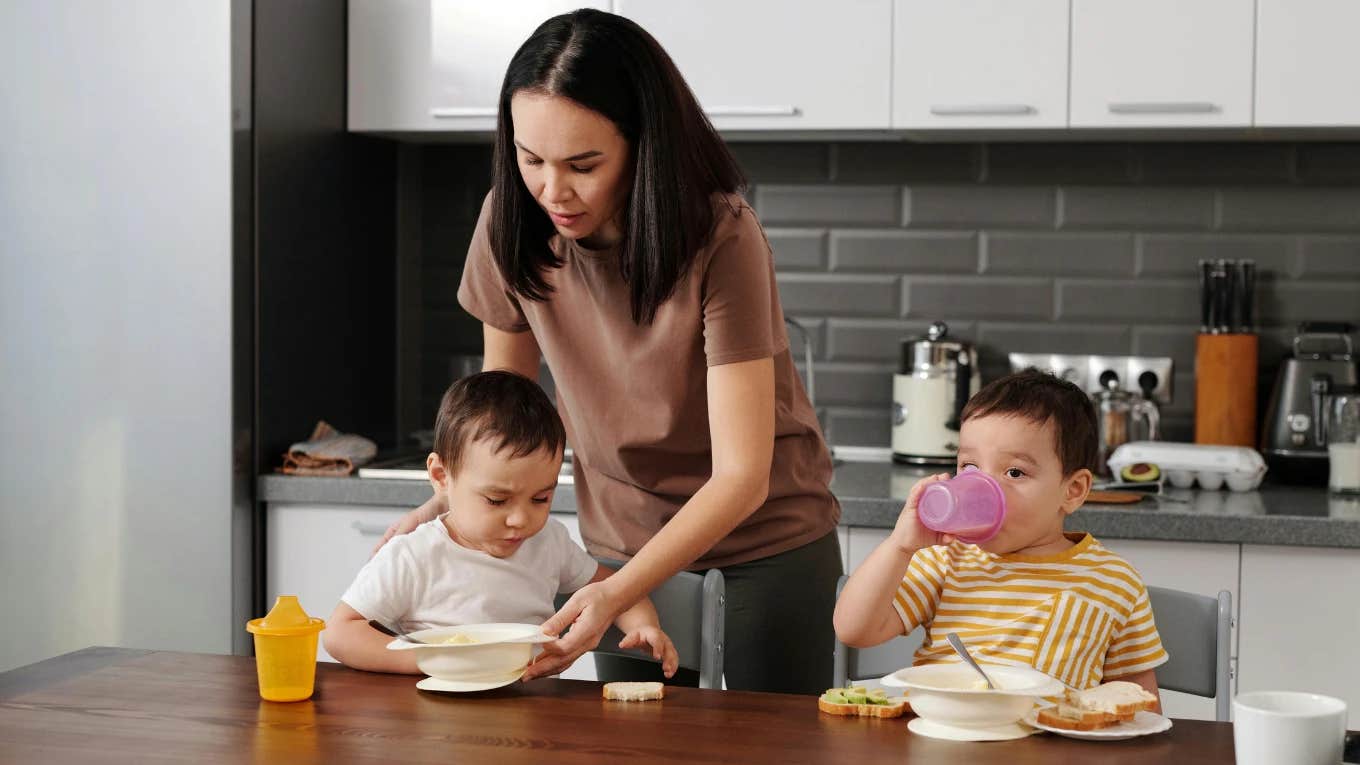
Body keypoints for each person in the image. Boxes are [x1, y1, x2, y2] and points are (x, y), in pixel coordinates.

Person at [376, 8, 841, 694]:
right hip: (616, 547)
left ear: (642, 145)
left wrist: (614, 589)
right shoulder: (510, 220)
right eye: (530, 159)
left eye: (582, 164)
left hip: (765, 546)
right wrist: (447, 507)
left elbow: (743, 475)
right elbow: (503, 423)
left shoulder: (721, 236)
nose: (552, 191)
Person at [834, 369, 1167, 701]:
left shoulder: (1113, 581)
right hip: (942, 739)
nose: (983, 488)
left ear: (1073, 490)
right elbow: (854, 629)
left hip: (1048, 749)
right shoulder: (946, 561)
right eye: (970, 467)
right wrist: (900, 546)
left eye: (1014, 472)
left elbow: (1137, 700)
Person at [326, 371, 677, 677]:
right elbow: (340, 633)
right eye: (497, 500)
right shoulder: (415, 555)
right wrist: (428, 661)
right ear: (440, 476)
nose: (521, 520)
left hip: (529, 717)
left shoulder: (549, 542)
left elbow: (614, 588)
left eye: (541, 498)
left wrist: (645, 625)